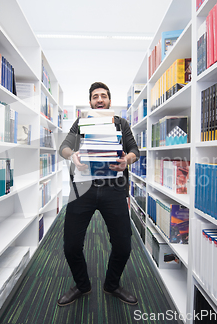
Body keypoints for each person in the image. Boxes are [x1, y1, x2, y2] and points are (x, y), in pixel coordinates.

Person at [57, 82, 140, 307]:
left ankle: (112, 284)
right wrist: (73, 155)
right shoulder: (81, 123)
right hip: (83, 188)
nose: (100, 99)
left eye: (104, 96)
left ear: (110, 101)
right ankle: (82, 285)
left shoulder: (121, 123)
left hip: (114, 188)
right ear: (91, 101)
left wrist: (126, 160)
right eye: (95, 96)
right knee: (71, 245)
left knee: (124, 245)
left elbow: (135, 151)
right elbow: (63, 147)